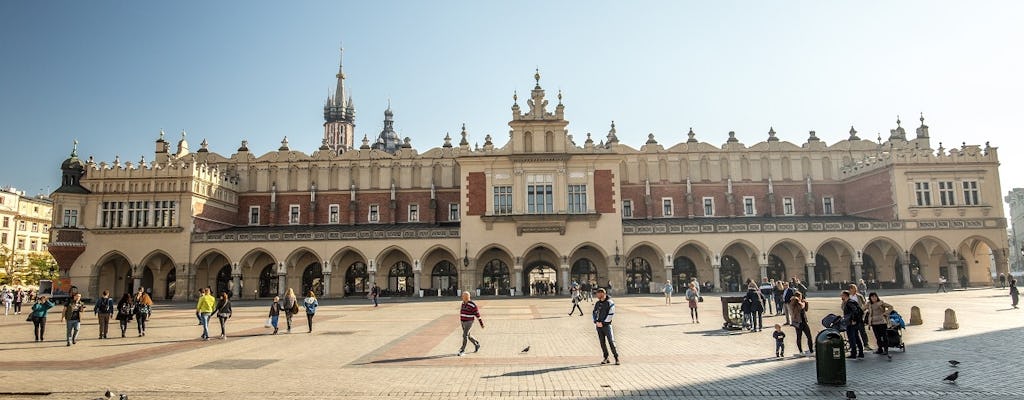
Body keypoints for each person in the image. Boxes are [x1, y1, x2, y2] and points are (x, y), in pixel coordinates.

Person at [592, 288, 619, 365]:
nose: (596, 295)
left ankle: (616, 358)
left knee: (611, 341)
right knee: (602, 342)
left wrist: (603, 323)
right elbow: (594, 313)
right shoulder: (597, 303)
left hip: (607, 326)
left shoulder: (609, 302)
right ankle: (606, 357)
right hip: (598, 326)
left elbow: (611, 314)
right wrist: (595, 321)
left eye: (598, 293)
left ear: (603, 294)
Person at [457, 292, 484, 356]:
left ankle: (462, 350)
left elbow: (478, 315)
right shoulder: (463, 303)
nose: (462, 297)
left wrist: (481, 324)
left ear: (467, 297)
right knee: (468, 336)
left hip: (469, 322)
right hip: (463, 321)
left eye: (463, 296)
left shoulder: (472, 305)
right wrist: (461, 320)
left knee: (464, 335)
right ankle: (476, 344)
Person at [847, 284, 871, 351]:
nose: (855, 290)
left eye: (856, 288)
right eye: (854, 288)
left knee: (862, 331)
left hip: (859, 317)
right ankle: (855, 346)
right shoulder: (847, 296)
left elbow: (864, 303)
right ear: (850, 289)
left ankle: (866, 345)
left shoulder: (859, 296)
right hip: (851, 318)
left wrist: (863, 309)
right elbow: (843, 306)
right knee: (854, 333)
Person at [841, 290, 864, 359]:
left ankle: (854, 353)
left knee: (852, 338)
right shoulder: (851, 302)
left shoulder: (849, 303)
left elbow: (855, 311)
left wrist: (853, 320)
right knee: (856, 337)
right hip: (854, 322)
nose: (841, 297)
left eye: (842, 295)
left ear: (845, 296)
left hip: (851, 323)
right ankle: (860, 353)